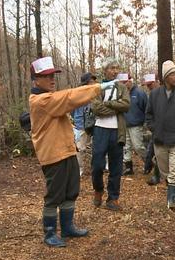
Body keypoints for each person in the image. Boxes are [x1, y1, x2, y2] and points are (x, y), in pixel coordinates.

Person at [29, 56, 115, 247]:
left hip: (66, 151)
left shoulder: (50, 97)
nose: (52, 79)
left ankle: (67, 227)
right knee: (54, 194)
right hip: (53, 155)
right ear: (36, 80)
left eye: (53, 75)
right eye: (46, 76)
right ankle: (49, 232)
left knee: (71, 190)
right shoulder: (41, 100)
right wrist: (98, 87)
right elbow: (70, 98)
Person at [145, 60, 175, 209]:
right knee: (165, 170)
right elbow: (149, 115)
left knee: (174, 170)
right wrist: (155, 128)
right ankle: (174, 190)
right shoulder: (154, 94)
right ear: (166, 77)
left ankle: (171, 200)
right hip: (159, 140)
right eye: (173, 74)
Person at [91, 58, 130, 211]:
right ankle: (98, 189)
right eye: (112, 68)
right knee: (97, 164)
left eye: (117, 68)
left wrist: (107, 104)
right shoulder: (97, 87)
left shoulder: (122, 87)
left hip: (117, 131)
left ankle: (113, 198)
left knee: (116, 166)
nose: (115, 71)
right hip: (100, 129)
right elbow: (96, 108)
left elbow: (126, 105)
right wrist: (115, 107)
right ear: (105, 70)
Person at [121, 74, 148, 175]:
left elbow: (146, 108)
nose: (125, 84)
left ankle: (148, 161)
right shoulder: (122, 94)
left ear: (130, 81)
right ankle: (128, 167)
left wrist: (145, 123)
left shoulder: (139, 93)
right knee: (126, 146)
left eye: (126, 82)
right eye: (122, 82)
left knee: (138, 146)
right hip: (124, 124)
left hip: (136, 124)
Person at [71, 72, 97, 176]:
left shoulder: (96, 94)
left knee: (98, 146)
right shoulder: (77, 95)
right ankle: (79, 170)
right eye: (91, 81)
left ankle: (98, 167)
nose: (93, 83)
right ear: (85, 83)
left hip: (95, 124)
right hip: (81, 125)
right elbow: (72, 110)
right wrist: (78, 120)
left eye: (94, 81)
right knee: (80, 149)